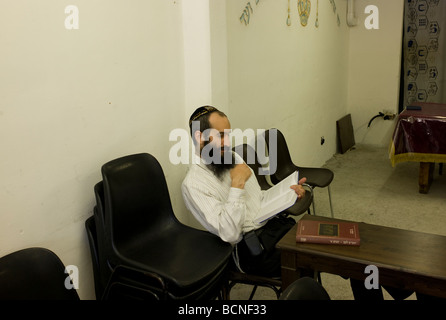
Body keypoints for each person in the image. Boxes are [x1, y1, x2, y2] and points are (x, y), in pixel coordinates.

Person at [181, 106, 307, 278]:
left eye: (228, 134)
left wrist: (288, 194)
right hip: (251, 250)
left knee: (326, 243)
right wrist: (237, 184)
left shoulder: (233, 157)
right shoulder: (194, 183)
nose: (227, 142)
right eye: (220, 135)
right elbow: (230, 234)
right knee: (315, 256)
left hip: (274, 229)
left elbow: (259, 198)